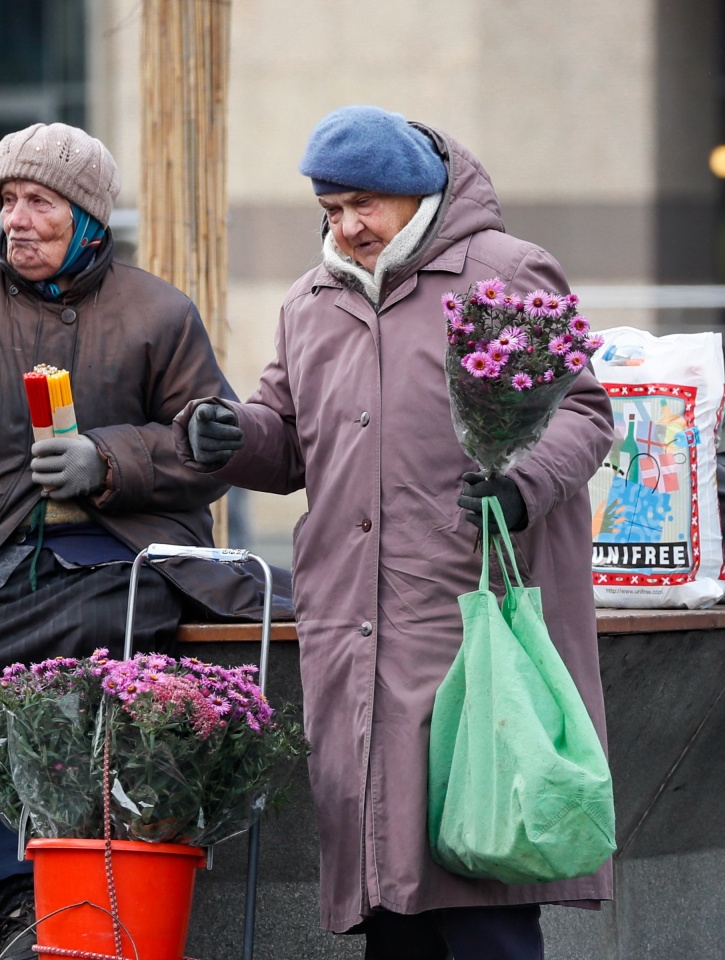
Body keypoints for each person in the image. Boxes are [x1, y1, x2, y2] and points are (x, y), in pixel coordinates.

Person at [0, 122, 273, 956]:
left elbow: (209, 453)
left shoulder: (159, 313)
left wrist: (110, 461)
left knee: (106, 643)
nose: (17, 220)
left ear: (90, 219)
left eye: (40, 203)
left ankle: (80, 881)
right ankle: (10, 890)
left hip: (111, 555)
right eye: (7, 201)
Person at [180, 106, 615, 960]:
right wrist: (237, 437)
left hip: (470, 613)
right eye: (331, 208)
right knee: (388, 882)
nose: (347, 226)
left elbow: (585, 411)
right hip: (354, 621)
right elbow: (289, 430)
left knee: (482, 862)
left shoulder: (502, 272)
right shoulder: (310, 301)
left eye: (364, 206)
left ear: (416, 197)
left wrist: (522, 486)